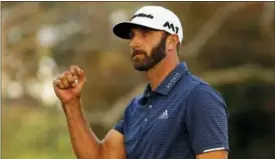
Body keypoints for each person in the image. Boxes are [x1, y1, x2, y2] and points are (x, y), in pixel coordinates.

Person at [53, 6, 229, 159]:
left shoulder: (199, 97)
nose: (134, 43)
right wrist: (71, 103)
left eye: (145, 34)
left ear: (171, 41)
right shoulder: (135, 108)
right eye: (132, 36)